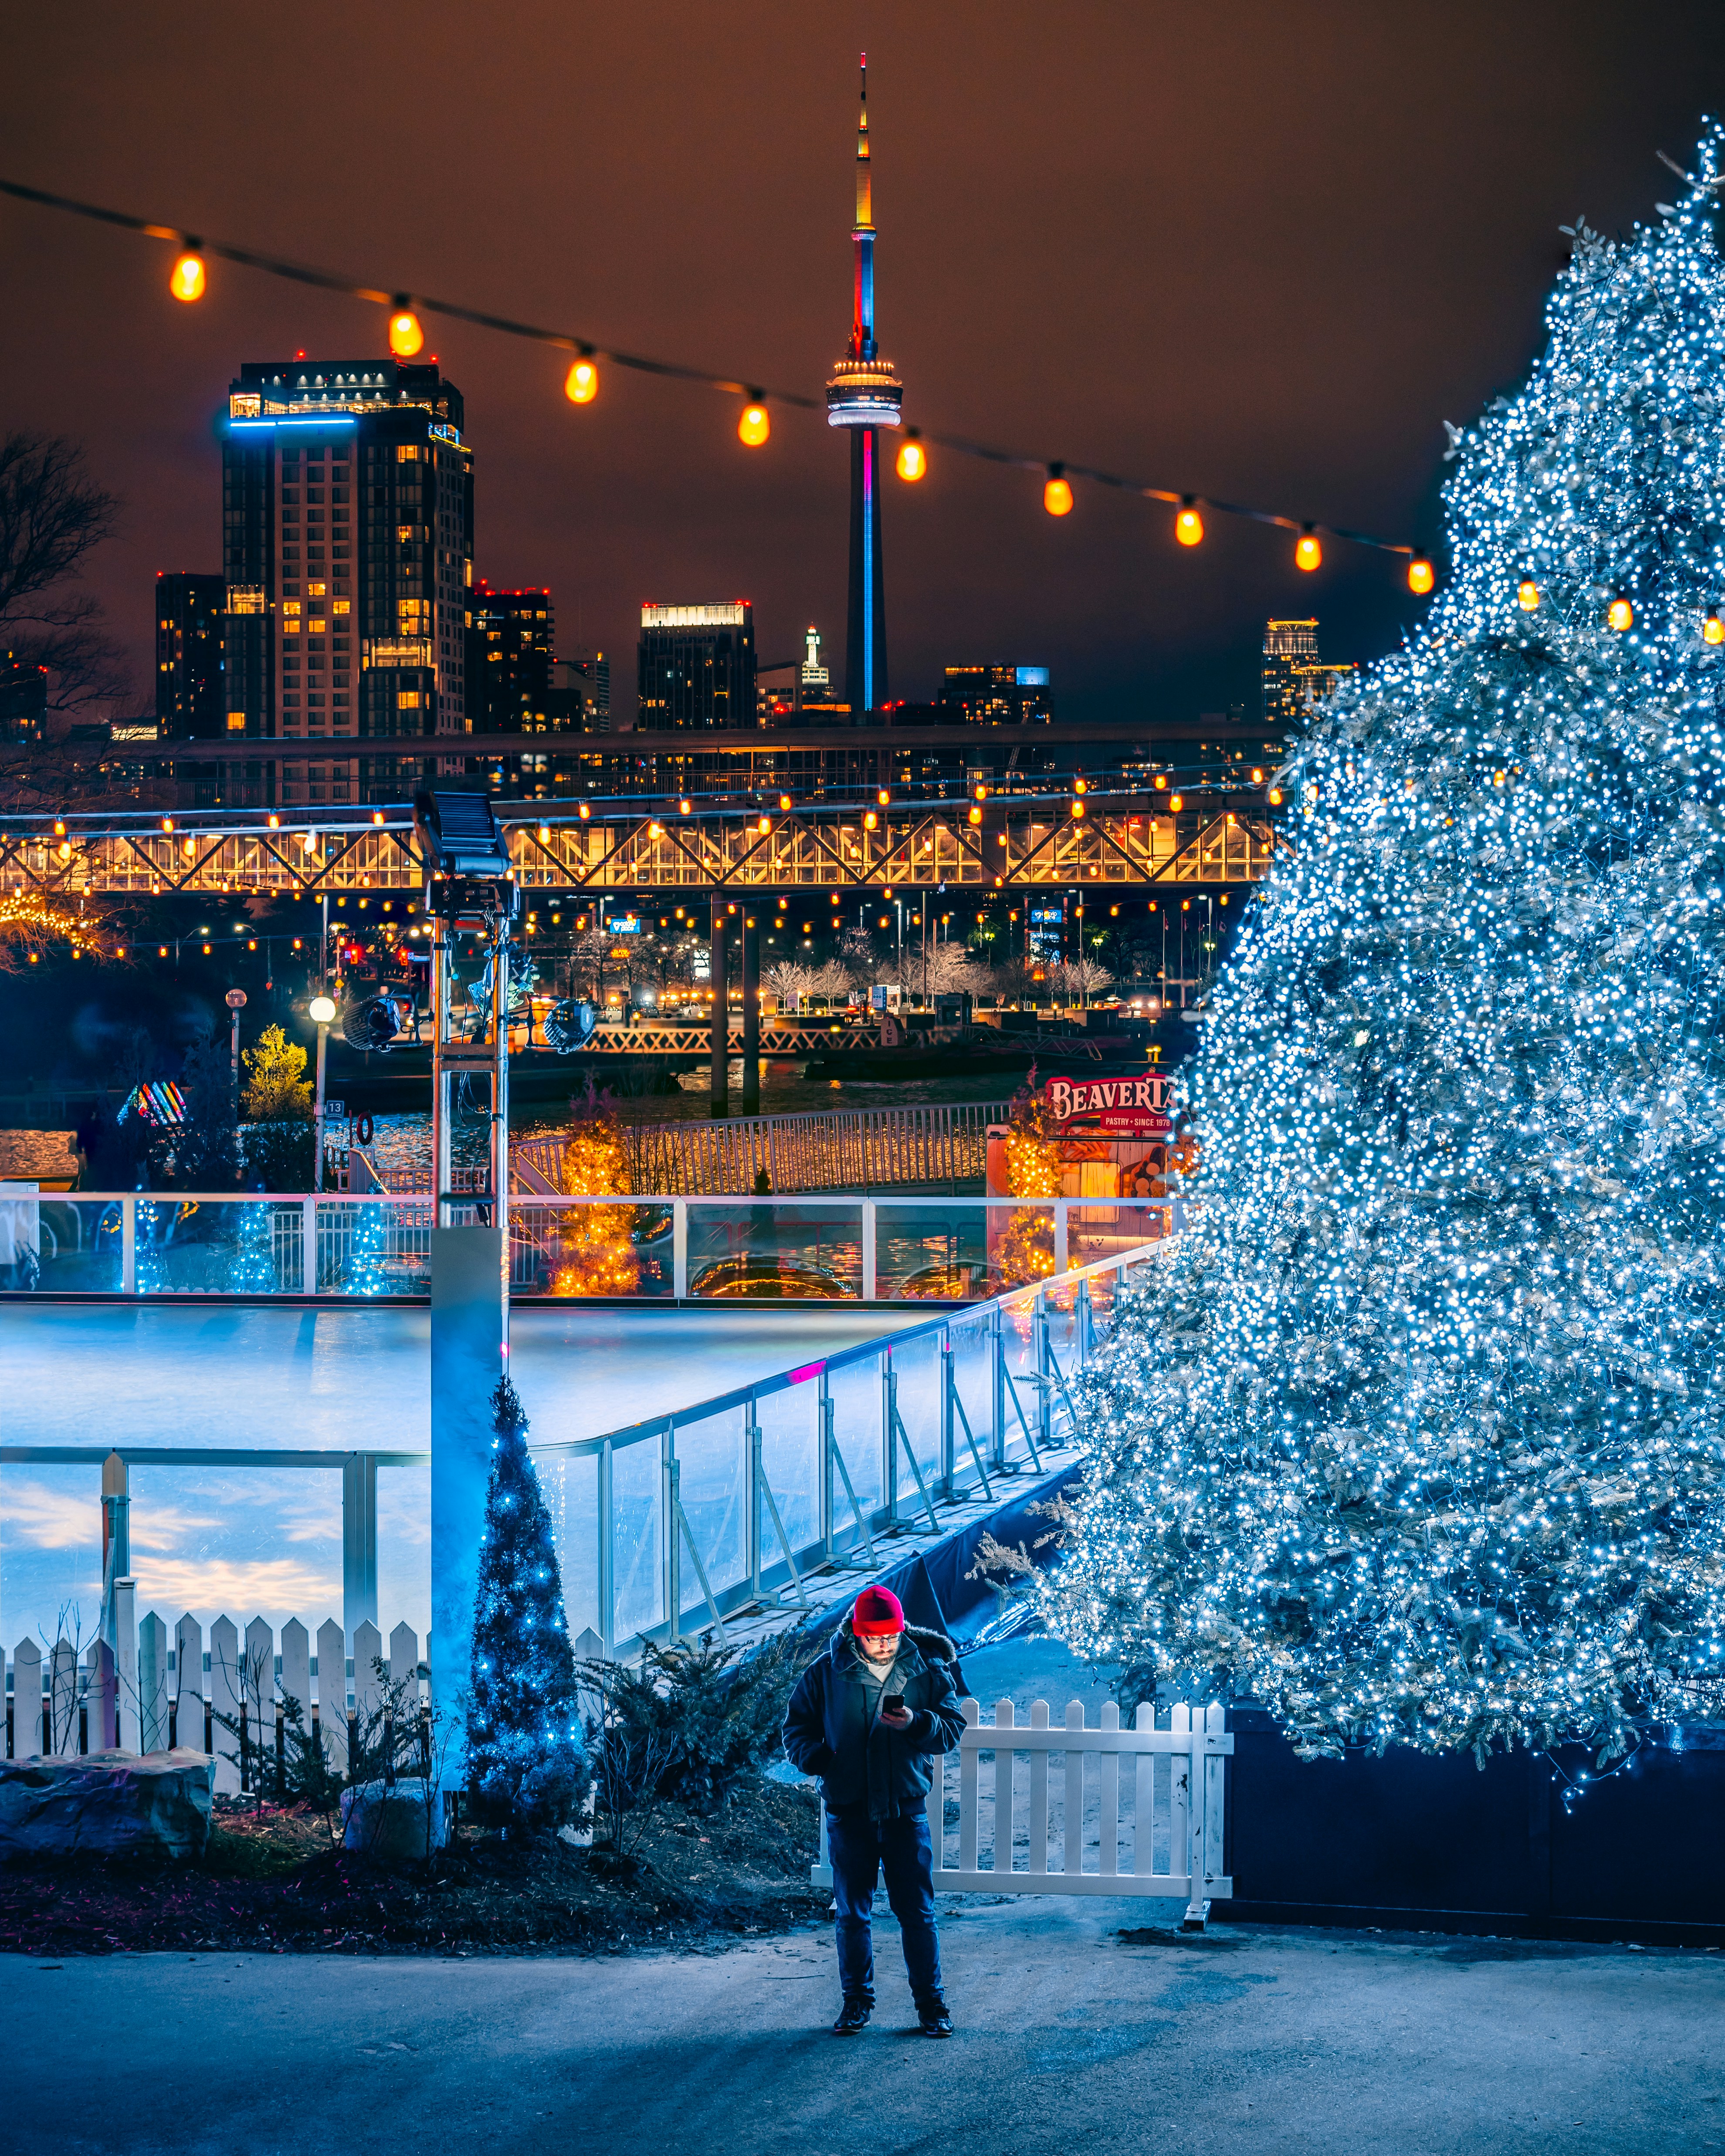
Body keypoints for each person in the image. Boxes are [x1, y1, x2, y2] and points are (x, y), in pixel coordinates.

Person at [783, 1584, 966, 2037]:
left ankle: (932, 2005)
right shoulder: (826, 1671)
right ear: (856, 1633)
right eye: (873, 1636)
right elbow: (795, 1726)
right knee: (851, 1913)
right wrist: (818, 1758)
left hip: (905, 1810)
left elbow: (951, 1728)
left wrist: (915, 1723)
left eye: (891, 1635)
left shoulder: (927, 1667)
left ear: (902, 1630)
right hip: (849, 1811)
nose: (884, 1644)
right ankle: (856, 2002)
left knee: (917, 1913)